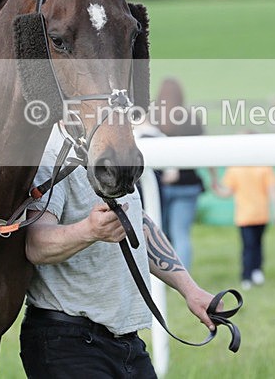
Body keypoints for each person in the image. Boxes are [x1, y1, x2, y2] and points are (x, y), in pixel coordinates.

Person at [20, 124, 218, 379]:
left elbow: (137, 222)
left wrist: (191, 291)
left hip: (128, 343)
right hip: (67, 341)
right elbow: (35, 245)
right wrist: (89, 231)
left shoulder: (110, 149)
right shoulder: (51, 155)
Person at [154, 78, 217, 271]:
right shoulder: (191, 119)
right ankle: (183, 278)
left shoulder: (153, 119)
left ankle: (159, 276)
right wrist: (215, 180)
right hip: (188, 185)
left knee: (157, 234)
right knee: (181, 234)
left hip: (158, 186)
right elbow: (206, 152)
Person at [214, 164, 275, 289]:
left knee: (253, 245)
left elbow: (227, 192)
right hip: (248, 216)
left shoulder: (259, 167)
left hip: (256, 215)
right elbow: (272, 190)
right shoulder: (241, 168)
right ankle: (248, 275)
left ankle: (255, 271)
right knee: (251, 245)